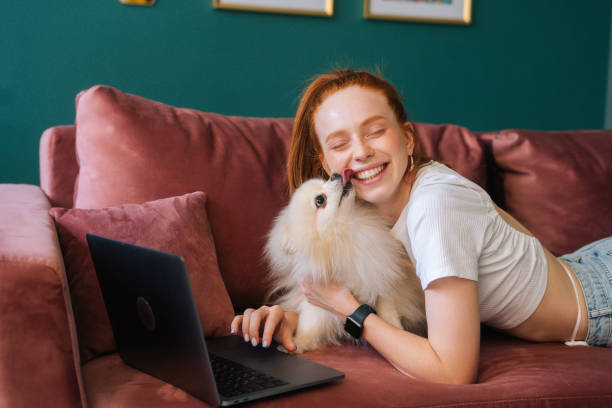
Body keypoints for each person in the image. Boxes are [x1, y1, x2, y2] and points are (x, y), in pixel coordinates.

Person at [230, 69, 612, 384]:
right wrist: (290, 319)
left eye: (375, 130)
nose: (361, 151)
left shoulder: (437, 204)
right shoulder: (368, 202)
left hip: (601, 301)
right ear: (326, 161)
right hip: (583, 262)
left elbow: (453, 371)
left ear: (407, 139)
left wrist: (349, 309)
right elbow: (347, 286)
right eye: (340, 141)